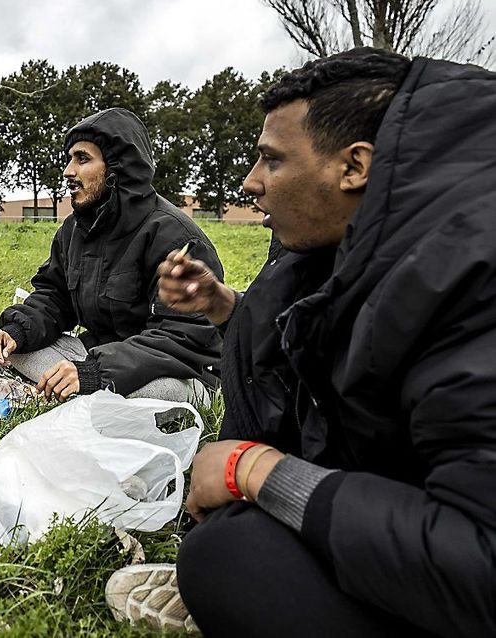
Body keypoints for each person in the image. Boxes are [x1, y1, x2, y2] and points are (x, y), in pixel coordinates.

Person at [108, 48, 496, 636]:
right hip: (407, 508)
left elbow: (482, 559)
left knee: (226, 556)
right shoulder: (352, 245)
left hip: (461, 567)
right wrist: (221, 306)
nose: (251, 182)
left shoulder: (471, 279)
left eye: (272, 159)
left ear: (354, 166)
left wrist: (258, 471)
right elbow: (319, 361)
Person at [0, 108, 223, 403]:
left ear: (117, 167)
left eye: (82, 159)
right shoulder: (73, 229)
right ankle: (83, 390)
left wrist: (94, 372)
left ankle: (85, 389)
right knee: (20, 352)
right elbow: (55, 296)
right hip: (100, 354)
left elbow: (181, 337)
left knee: (161, 392)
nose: (68, 171)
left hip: (173, 371)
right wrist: (17, 330)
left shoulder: (174, 236)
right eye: (69, 159)